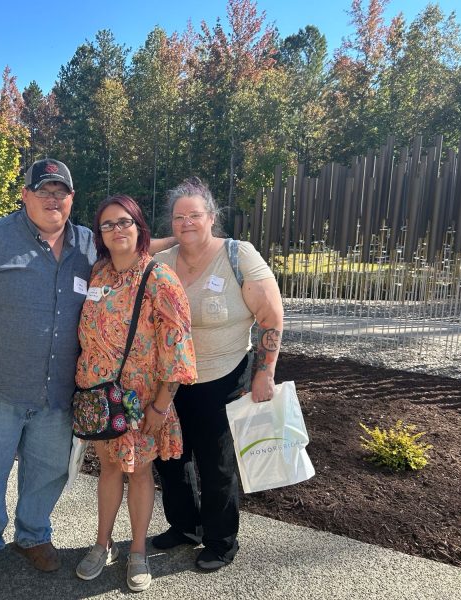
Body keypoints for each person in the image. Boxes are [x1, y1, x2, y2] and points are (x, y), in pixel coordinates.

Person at [0, 159, 174, 587]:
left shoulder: (88, 244)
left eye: (60, 192)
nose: (52, 199)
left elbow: (132, 246)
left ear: (71, 199)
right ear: (24, 195)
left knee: (48, 473)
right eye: (42, 191)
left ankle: (32, 535)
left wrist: (195, 238)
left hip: (58, 395)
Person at [151, 177, 284, 571]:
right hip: (171, 381)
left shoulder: (238, 256)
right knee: (172, 459)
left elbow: (271, 317)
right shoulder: (163, 263)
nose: (186, 223)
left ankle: (221, 541)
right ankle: (184, 526)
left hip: (223, 378)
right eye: (178, 217)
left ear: (212, 217)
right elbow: (134, 254)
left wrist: (265, 373)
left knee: (217, 465)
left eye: (195, 215)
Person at [74, 195, 197, 592]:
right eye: (107, 225)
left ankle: (139, 550)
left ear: (139, 227)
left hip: (141, 401)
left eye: (124, 222)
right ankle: (102, 543)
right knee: (109, 468)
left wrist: (161, 406)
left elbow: (178, 348)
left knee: (140, 472)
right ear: (100, 235)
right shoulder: (97, 275)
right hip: (99, 400)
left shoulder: (159, 279)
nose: (116, 230)